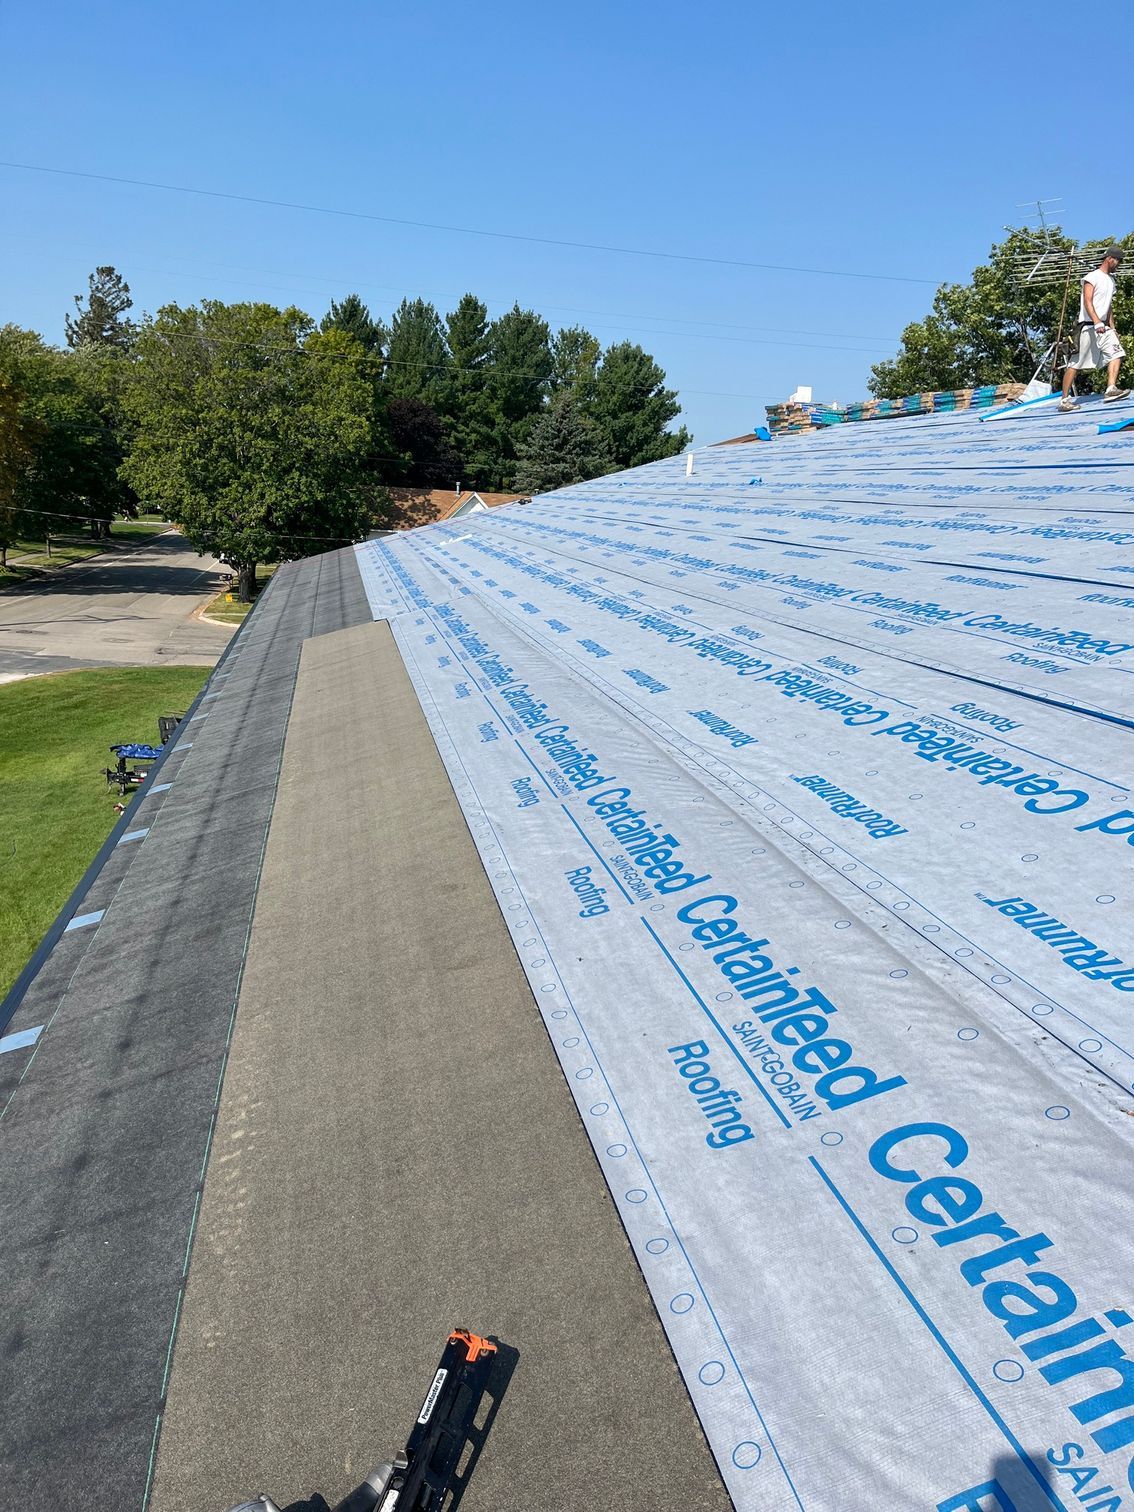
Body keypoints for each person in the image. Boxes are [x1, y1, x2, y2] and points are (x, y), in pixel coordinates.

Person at [1059, 244, 1128, 411]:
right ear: (1109, 259)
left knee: (1117, 353)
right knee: (1076, 363)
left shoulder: (1111, 280)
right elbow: (1087, 301)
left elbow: (1108, 305)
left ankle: (1111, 389)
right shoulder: (1092, 277)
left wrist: (1112, 327)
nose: (1118, 264)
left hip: (1104, 327)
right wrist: (1097, 321)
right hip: (1089, 326)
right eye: (1117, 261)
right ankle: (1064, 400)